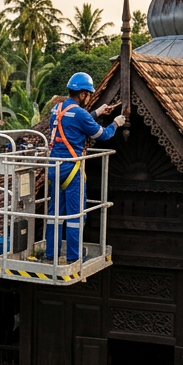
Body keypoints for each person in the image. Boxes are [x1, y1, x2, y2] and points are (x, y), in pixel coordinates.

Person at [44, 72, 125, 262]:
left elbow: (74, 120)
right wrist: (116, 123)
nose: (88, 98)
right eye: (88, 95)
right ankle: (74, 256)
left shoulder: (56, 109)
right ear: (82, 94)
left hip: (54, 168)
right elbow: (103, 135)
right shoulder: (80, 114)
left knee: (54, 214)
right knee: (75, 215)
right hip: (72, 169)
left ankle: (50, 253)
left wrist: (97, 112)